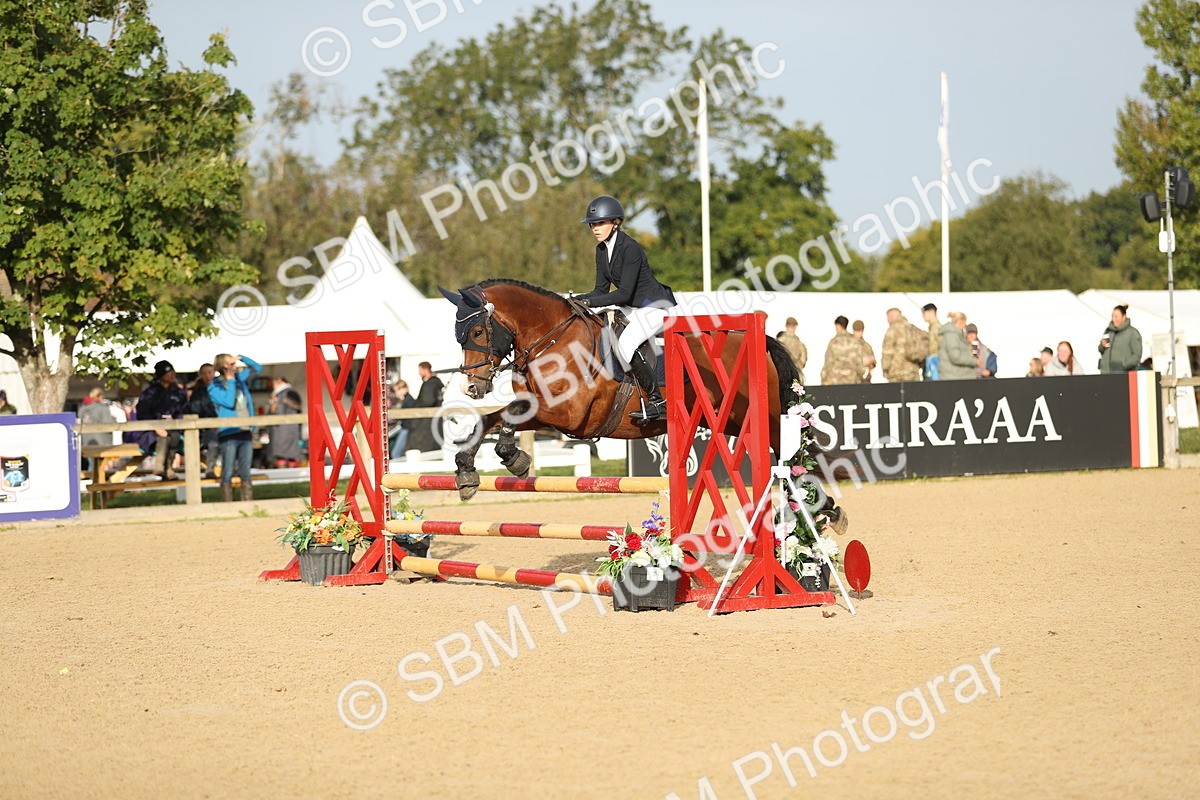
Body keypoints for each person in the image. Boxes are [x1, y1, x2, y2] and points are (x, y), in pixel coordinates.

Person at [573, 195, 677, 423]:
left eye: (600, 223)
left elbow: (624, 293)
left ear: (615, 222)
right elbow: (600, 290)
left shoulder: (630, 248)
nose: (595, 228)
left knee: (626, 344)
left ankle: (658, 402)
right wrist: (576, 300)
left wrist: (590, 303)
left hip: (655, 307)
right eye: (592, 224)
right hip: (633, 308)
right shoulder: (601, 250)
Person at [209, 353, 261, 502]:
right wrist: (231, 381)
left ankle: (247, 502)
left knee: (245, 470)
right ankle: (228, 503)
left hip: (244, 429)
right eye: (230, 363)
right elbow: (229, 401)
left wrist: (242, 358)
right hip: (228, 431)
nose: (234, 366)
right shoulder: (214, 386)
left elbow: (257, 368)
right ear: (222, 366)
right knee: (228, 470)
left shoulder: (239, 380)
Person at [137, 360, 188, 480]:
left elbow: (184, 410)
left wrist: (175, 420)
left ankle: (168, 467)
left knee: (174, 437)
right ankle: (160, 466)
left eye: (172, 371)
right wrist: (155, 426)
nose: (172, 374)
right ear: (161, 375)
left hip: (174, 428)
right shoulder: (150, 393)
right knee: (164, 437)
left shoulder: (179, 392)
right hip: (151, 431)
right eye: (168, 372)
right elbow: (143, 413)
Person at [188, 363, 220, 478]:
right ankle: (210, 468)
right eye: (204, 373)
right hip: (205, 428)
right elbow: (195, 409)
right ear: (200, 375)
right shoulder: (198, 392)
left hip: (222, 424)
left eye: (210, 372)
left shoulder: (221, 387)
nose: (208, 376)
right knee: (213, 441)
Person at [880, 308, 928, 383]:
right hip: (913, 372)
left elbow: (887, 352)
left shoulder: (892, 330)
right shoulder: (913, 329)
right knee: (913, 394)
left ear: (891, 317)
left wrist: (885, 369)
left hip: (896, 374)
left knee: (896, 394)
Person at [408, 362, 444, 453]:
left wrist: (416, 406)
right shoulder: (435, 383)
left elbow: (428, 401)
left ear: (425, 369)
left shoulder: (430, 384)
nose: (419, 373)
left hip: (427, 421)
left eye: (420, 370)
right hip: (433, 420)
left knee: (425, 448)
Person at [268, 376, 303, 468]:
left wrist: (283, 401)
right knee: (280, 455)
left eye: (277, 382)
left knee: (291, 454)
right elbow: (272, 411)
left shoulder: (291, 392)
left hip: (290, 427)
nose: (274, 385)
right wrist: (274, 401)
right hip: (278, 428)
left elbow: (298, 406)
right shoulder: (275, 395)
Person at [78, 387, 117, 471]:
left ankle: (92, 481)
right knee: (102, 466)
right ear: (99, 396)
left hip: (86, 442)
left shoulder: (82, 409)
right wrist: (114, 420)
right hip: (102, 442)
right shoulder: (102, 409)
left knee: (91, 465)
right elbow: (108, 425)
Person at [1098, 304, 1144, 373]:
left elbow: (1137, 355)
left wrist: (1124, 365)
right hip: (1105, 373)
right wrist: (1102, 346)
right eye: (1112, 316)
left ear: (1124, 317)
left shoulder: (1132, 333)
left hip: (1122, 374)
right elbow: (1100, 349)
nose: (1113, 319)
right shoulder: (1108, 331)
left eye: (1116, 316)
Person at [820, 316, 864, 385]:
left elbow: (828, 362)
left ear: (838, 326)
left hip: (835, 381)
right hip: (852, 380)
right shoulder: (854, 341)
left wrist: (823, 378)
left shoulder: (833, 342)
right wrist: (860, 378)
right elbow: (859, 363)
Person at [937, 312, 977, 381]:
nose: (965, 325)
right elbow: (955, 357)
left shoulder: (957, 335)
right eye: (965, 322)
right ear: (960, 321)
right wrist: (974, 361)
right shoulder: (951, 335)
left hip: (956, 376)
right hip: (953, 377)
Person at [389, 379, 416, 459]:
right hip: (403, 427)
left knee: (396, 453)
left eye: (397, 390)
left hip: (405, 428)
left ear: (404, 388)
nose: (396, 393)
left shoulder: (408, 400)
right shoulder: (406, 399)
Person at [776, 317, 808, 384]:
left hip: (782, 372)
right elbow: (803, 360)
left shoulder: (780, 341)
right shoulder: (799, 343)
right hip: (793, 373)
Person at [921, 303, 940, 380]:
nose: (923, 316)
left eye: (924, 313)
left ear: (931, 312)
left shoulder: (937, 328)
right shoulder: (932, 327)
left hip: (936, 364)